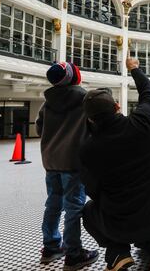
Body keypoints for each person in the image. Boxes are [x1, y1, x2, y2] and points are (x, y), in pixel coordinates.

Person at [80, 57, 150, 271]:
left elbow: (93, 192)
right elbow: (148, 91)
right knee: (143, 217)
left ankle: (118, 254)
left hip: (121, 224)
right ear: (117, 106)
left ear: (90, 119)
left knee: (87, 211)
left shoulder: (89, 150)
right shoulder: (144, 121)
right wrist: (134, 69)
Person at [36, 62, 98, 270]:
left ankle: (51, 246)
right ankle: (73, 253)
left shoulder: (47, 103)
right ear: (74, 77)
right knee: (74, 207)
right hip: (73, 161)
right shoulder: (85, 100)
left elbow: (39, 128)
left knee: (53, 202)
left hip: (51, 161)